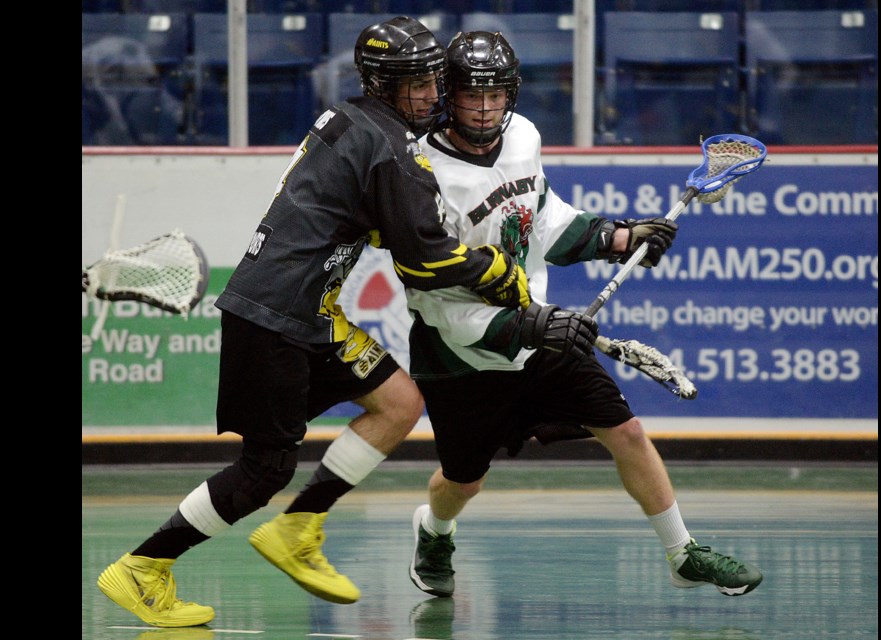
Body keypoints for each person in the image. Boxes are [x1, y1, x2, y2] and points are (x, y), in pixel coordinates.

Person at [96, 17, 532, 629]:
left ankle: (300, 525)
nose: (434, 93)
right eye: (417, 83)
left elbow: (348, 210)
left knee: (399, 403)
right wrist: (495, 272)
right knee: (266, 468)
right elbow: (428, 261)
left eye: (435, 78)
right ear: (382, 84)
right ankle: (143, 568)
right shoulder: (393, 149)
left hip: (303, 313)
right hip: (279, 316)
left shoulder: (346, 119)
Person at [405, 31, 763, 600]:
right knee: (462, 481)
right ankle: (435, 531)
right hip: (462, 356)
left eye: (495, 96)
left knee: (626, 431)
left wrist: (618, 236)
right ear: (447, 95)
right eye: (472, 96)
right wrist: (532, 323)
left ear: (511, 95)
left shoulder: (523, 138)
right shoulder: (419, 173)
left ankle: (681, 553)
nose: (484, 108)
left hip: (541, 334)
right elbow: (439, 300)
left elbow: (542, 217)